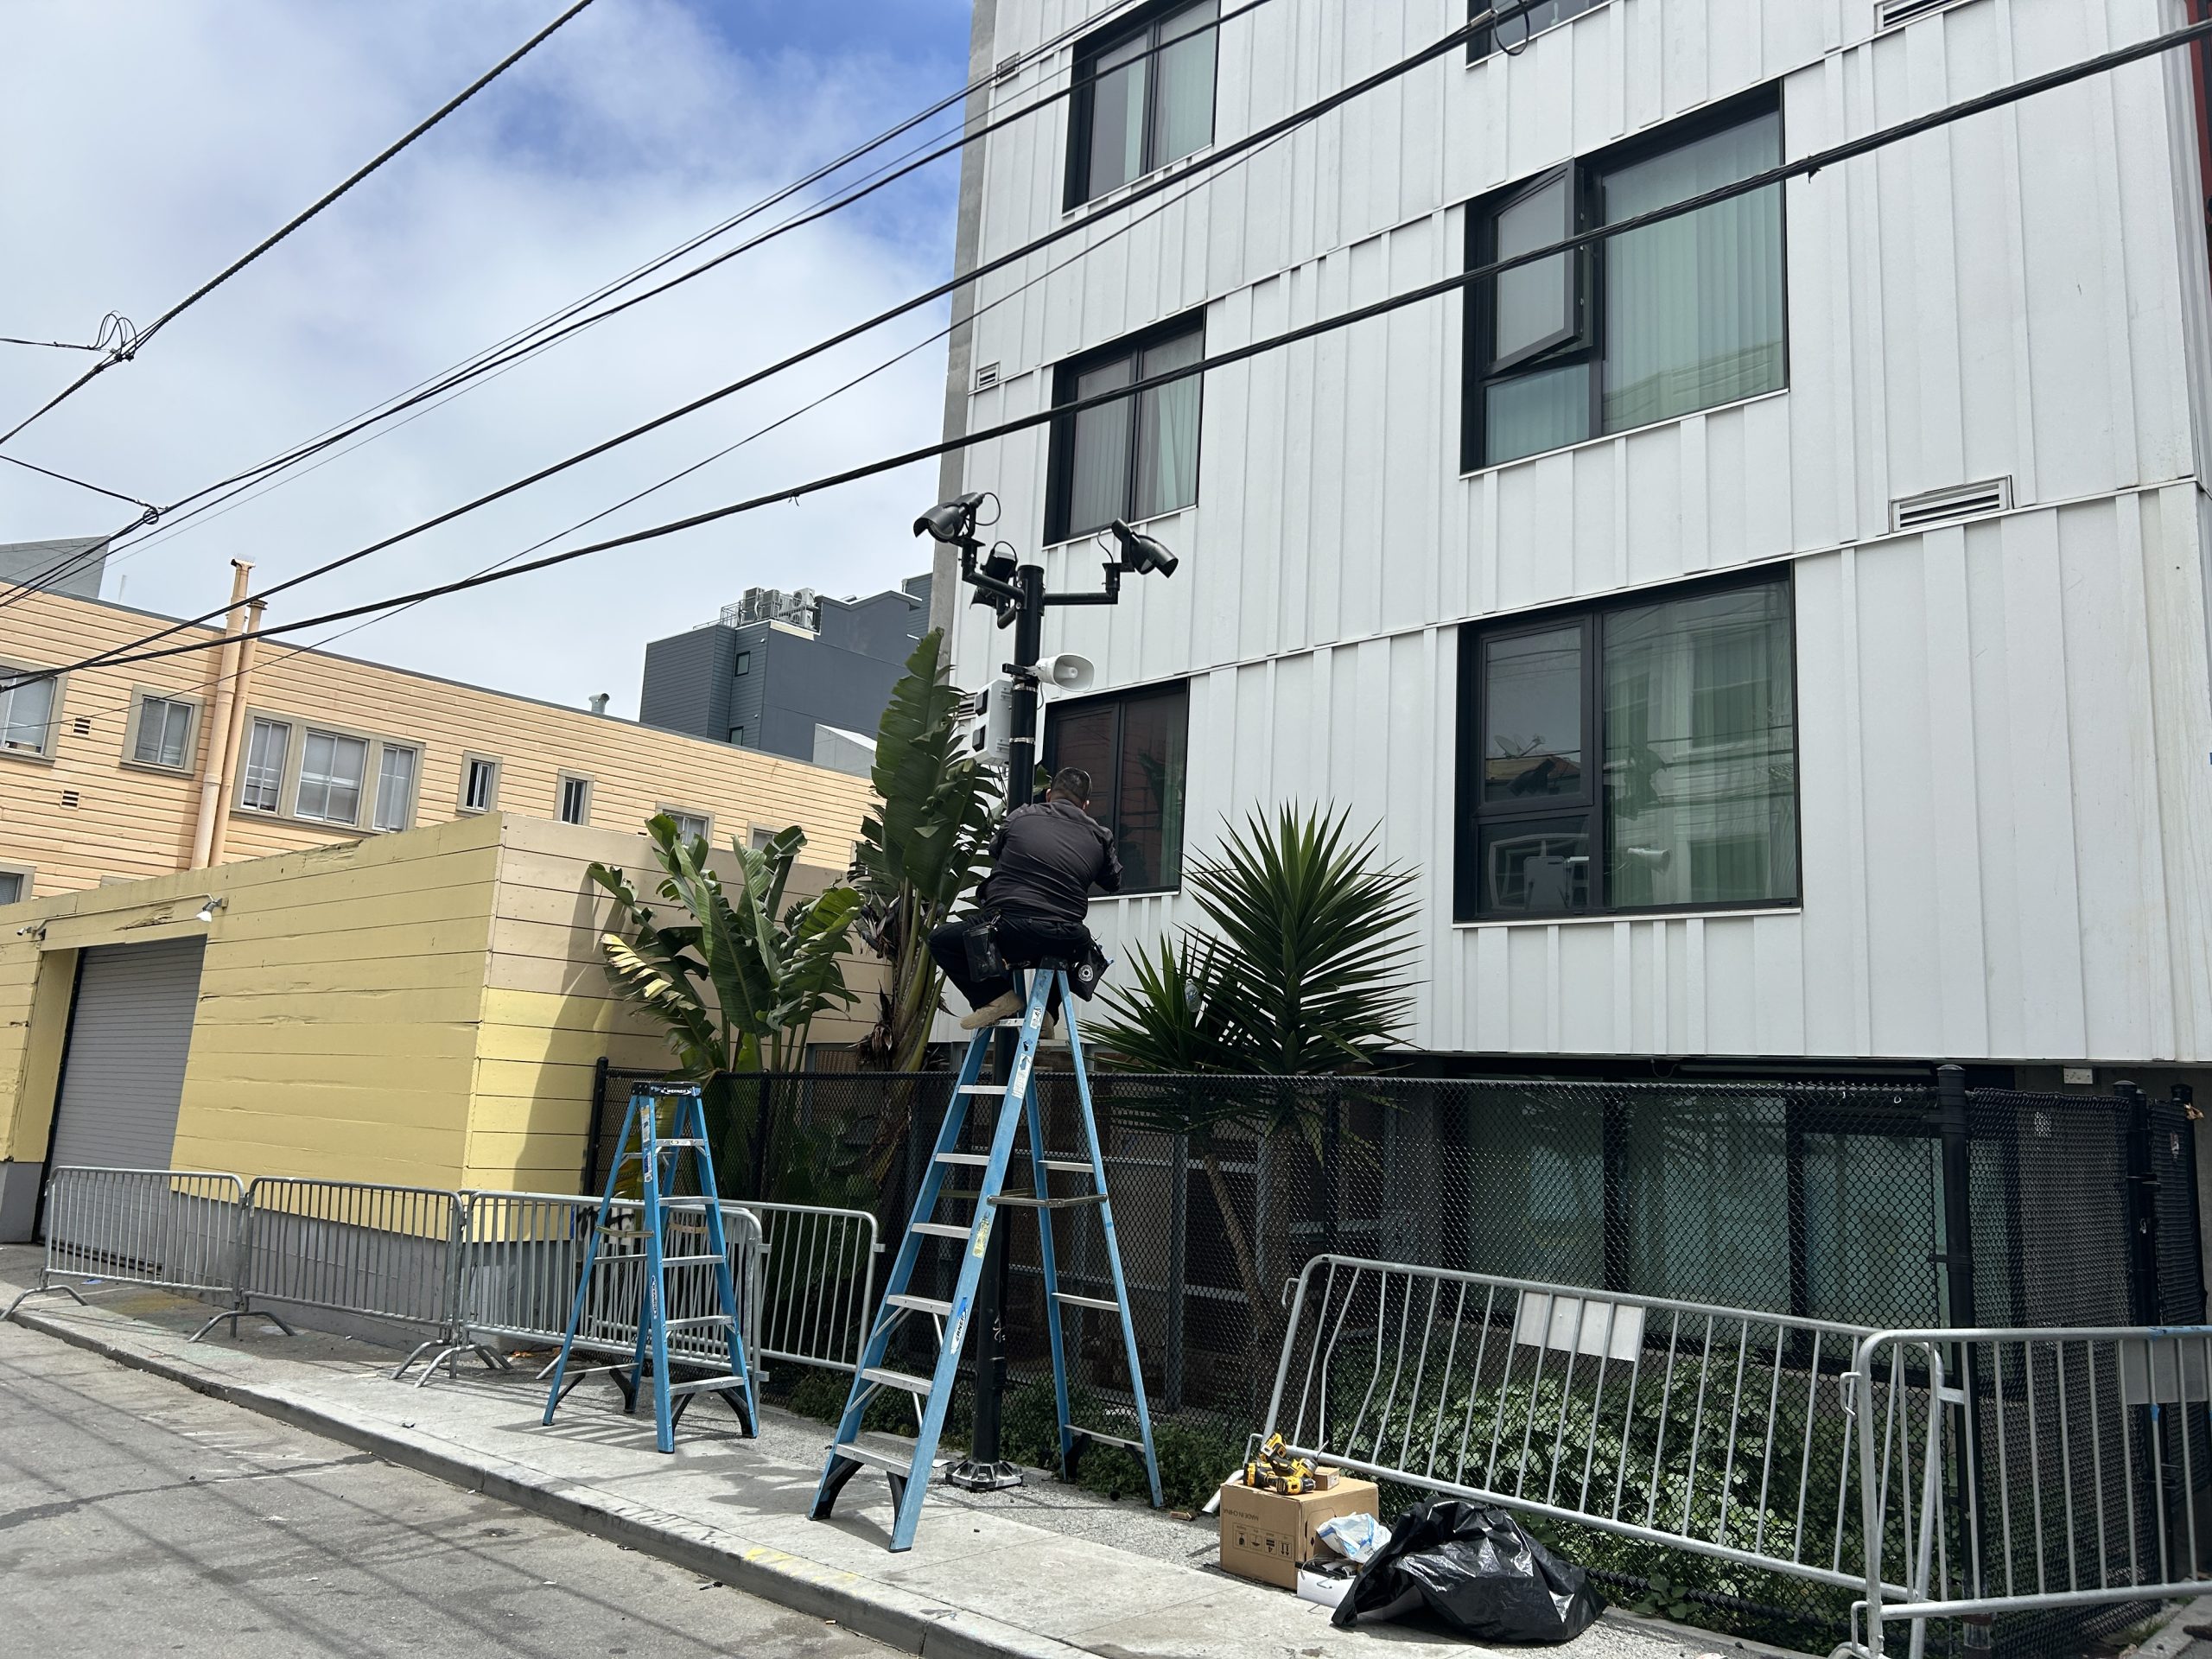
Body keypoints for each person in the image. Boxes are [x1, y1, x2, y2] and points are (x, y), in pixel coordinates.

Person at [931, 766, 1121, 1033]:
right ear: (1085, 805)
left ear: (1048, 794)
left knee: (940, 940)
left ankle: (996, 998)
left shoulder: (1021, 816)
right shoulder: (1101, 835)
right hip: (1065, 936)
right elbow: (1113, 882)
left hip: (1009, 931)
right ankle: (1047, 1013)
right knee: (1077, 944)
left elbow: (995, 849)